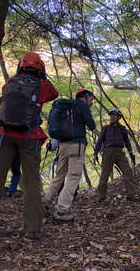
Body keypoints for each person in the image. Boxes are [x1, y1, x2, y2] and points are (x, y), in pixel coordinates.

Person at [0, 51, 58, 241]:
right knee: (31, 182)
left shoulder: (10, 83)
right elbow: (54, 93)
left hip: (4, 136)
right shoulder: (42, 85)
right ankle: (33, 230)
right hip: (29, 136)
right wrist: (42, 77)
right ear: (40, 68)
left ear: (21, 66)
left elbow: (5, 93)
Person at [44, 88, 95, 222]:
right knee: (73, 177)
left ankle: (44, 203)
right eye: (91, 99)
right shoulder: (82, 105)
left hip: (63, 146)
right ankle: (62, 210)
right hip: (76, 145)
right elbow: (92, 125)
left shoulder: (66, 107)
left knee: (59, 175)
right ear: (85, 97)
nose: (92, 102)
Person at [94, 108, 138, 203]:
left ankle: (130, 195)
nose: (112, 117)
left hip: (120, 152)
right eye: (111, 115)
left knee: (128, 172)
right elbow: (99, 141)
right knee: (105, 174)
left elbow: (127, 142)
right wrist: (95, 153)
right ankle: (102, 197)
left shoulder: (122, 129)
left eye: (114, 115)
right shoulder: (105, 128)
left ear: (119, 117)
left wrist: (131, 154)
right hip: (108, 152)